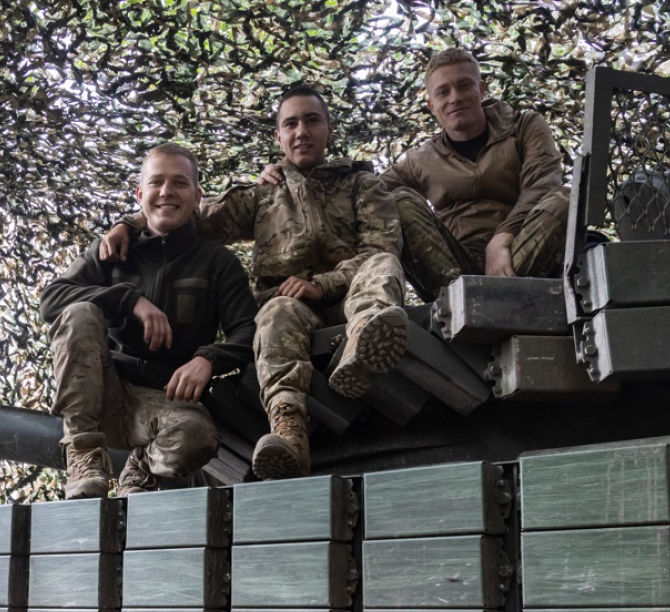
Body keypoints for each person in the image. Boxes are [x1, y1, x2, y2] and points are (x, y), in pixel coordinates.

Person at [103, 85, 406, 479]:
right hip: (292, 305)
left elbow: (382, 245)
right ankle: (289, 433)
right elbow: (186, 211)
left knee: (382, 262)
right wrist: (131, 222)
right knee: (275, 313)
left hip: (355, 293)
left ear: (329, 129)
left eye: (312, 121)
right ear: (278, 137)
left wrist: (325, 283)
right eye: (290, 124)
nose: (301, 132)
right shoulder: (263, 196)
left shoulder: (361, 185)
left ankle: (365, 348)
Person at [40, 142, 257, 499]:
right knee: (79, 312)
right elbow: (51, 300)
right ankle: (82, 453)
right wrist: (130, 300)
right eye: (156, 183)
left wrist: (209, 358)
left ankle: (140, 469)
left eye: (179, 183)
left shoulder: (217, 262)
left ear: (198, 196)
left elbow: (248, 328)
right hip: (100, 391)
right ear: (140, 193)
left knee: (195, 437)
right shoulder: (111, 250)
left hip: (162, 400)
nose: (166, 192)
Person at [382, 48, 569, 296]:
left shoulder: (524, 126)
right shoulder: (420, 160)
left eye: (464, 86)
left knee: (565, 199)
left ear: (481, 89)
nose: (455, 97)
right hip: (453, 271)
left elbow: (543, 183)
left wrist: (503, 236)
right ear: (431, 105)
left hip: (518, 255)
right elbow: (371, 192)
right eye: (443, 92)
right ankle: (458, 303)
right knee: (399, 202)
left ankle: (504, 301)